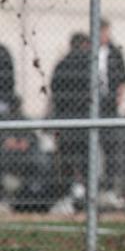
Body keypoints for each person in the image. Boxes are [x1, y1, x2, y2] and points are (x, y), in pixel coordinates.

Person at [50, 33, 92, 204]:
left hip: (64, 118)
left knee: (66, 158)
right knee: (85, 158)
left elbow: (54, 90)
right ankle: (86, 194)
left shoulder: (62, 64)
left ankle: (68, 194)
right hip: (83, 118)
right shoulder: (87, 64)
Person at [98, 19, 125, 199]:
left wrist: (119, 97)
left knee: (110, 146)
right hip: (93, 104)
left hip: (109, 106)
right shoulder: (88, 52)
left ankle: (109, 188)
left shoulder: (115, 53)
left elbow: (124, 77)